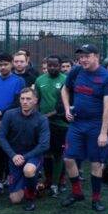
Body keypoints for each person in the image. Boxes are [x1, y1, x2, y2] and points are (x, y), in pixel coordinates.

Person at [60, 44, 108, 212]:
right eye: (81, 57)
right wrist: (66, 108)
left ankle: (96, 199)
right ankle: (77, 193)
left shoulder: (107, 77)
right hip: (77, 123)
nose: (83, 59)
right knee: (68, 158)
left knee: (96, 163)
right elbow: (65, 89)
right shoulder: (76, 71)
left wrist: (103, 133)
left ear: (96, 56)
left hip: (96, 125)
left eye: (87, 56)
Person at [0, 88, 50, 211]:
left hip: (33, 156)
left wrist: (24, 157)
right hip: (14, 158)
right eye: (22, 99)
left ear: (35, 101)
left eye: (28, 99)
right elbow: (1, 137)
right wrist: (13, 155)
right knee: (15, 199)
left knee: (29, 170)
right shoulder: (10, 114)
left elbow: (44, 145)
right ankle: (35, 186)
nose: (25, 101)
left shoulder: (42, 119)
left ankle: (31, 199)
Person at [0, 53, 24, 195]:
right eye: (0, 64)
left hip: (10, 123)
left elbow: (16, 102)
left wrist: (0, 115)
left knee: (9, 153)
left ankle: (11, 180)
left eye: (5, 64)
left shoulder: (18, 81)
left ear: (11, 64)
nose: (3, 67)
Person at [34, 55, 68, 196]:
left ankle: (58, 183)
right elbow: (36, 101)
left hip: (61, 124)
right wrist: (37, 117)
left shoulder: (65, 80)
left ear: (60, 66)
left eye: (55, 65)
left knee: (59, 154)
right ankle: (48, 180)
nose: (52, 68)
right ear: (46, 65)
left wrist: (47, 115)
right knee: (46, 153)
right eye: (50, 65)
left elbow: (64, 104)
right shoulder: (40, 80)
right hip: (44, 124)